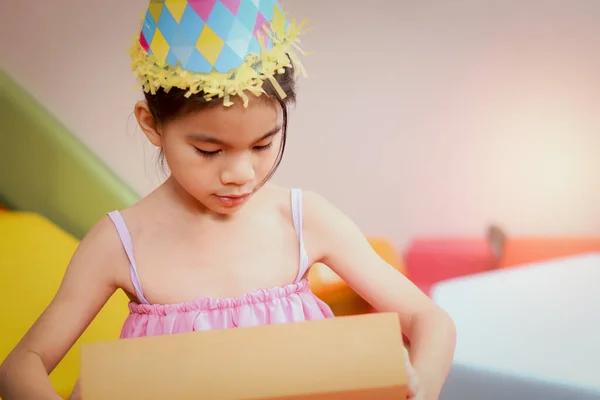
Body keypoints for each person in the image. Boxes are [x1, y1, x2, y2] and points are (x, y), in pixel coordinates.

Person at [0, 1, 456, 399]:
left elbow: (429, 320)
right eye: (209, 151)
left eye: (262, 144)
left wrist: (423, 382)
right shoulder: (121, 244)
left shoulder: (302, 221)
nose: (240, 175)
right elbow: (23, 364)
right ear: (152, 125)